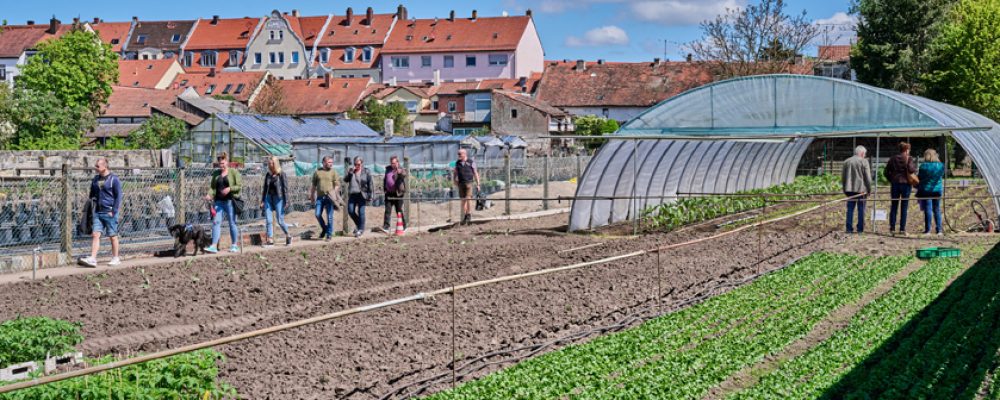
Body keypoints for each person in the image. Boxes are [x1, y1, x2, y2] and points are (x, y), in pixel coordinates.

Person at [78, 158, 122, 267]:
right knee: (95, 234)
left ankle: (116, 258)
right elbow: (92, 194)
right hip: (97, 211)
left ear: (105, 166)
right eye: (96, 165)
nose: (96, 168)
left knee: (112, 235)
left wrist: (114, 211)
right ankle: (93, 258)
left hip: (109, 211)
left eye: (98, 166)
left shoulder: (114, 179)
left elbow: (118, 196)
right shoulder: (95, 179)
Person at [203, 152, 241, 253]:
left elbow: (239, 186)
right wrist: (209, 194)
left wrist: (229, 188)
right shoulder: (216, 174)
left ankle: (234, 245)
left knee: (232, 223)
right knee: (216, 222)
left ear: (227, 162)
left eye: (223, 163)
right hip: (218, 202)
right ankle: (214, 246)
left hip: (230, 201)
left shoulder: (233, 172)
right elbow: (213, 187)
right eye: (220, 163)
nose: (221, 165)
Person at [884, 142, 918, 235]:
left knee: (894, 206)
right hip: (906, 184)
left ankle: (892, 228)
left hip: (895, 184)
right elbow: (911, 170)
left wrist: (891, 179)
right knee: (904, 206)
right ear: (907, 150)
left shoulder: (892, 158)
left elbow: (886, 172)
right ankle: (902, 229)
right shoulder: (909, 158)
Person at [842, 146, 872, 234]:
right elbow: (868, 178)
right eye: (865, 154)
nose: (865, 155)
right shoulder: (864, 161)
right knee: (861, 209)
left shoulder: (847, 161)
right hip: (861, 190)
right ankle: (860, 229)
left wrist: (844, 189)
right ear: (862, 153)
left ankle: (848, 229)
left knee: (850, 209)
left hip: (849, 189)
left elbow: (843, 177)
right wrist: (869, 189)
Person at [261, 156, 290, 247]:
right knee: (268, 220)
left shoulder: (281, 174)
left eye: (271, 163)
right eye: (269, 164)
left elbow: (285, 189)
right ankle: (270, 240)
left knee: (280, 220)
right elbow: (265, 188)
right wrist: (262, 200)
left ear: (275, 164)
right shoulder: (268, 175)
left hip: (278, 198)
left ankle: (288, 235)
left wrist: (287, 201)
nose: (270, 165)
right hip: (268, 198)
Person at [310, 156, 340, 241]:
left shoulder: (333, 172)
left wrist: (334, 192)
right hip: (320, 197)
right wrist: (312, 196)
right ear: (324, 162)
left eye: (332, 162)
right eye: (329, 162)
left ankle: (329, 235)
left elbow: (337, 184)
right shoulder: (317, 172)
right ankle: (325, 228)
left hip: (329, 198)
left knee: (329, 217)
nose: (331, 164)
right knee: (317, 214)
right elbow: (313, 185)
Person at [917, 148, 945, 235]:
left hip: (926, 190)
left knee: (928, 209)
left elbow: (920, 177)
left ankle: (928, 230)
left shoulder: (923, 166)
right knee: (937, 209)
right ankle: (939, 230)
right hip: (937, 190)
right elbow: (941, 175)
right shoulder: (940, 165)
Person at [344, 156, 373, 238]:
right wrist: (350, 173)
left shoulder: (366, 171)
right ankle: (359, 224)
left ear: (362, 163)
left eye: (359, 164)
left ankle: (361, 229)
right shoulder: (351, 171)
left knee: (361, 212)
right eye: (355, 164)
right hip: (353, 194)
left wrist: (370, 195)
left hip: (362, 194)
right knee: (350, 210)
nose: (357, 166)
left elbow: (370, 183)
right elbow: (345, 180)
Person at [453, 148, 480, 225]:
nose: (458, 155)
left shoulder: (471, 162)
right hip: (460, 183)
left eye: (460, 154)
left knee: (468, 198)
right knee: (463, 201)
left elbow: (475, 173)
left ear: (465, 154)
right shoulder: (457, 163)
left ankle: (469, 214)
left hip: (469, 183)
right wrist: (454, 180)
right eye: (458, 154)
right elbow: (455, 172)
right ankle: (465, 215)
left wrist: (478, 184)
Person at [382, 155, 408, 232]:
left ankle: (403, 225)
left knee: (399, 210)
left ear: (397, 162)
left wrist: (399, 172)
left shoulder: (401, 169)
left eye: (394, 163)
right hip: (389, 193)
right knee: (387, 210)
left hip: (398, 194)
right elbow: (385, 179)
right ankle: (386, 226)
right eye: (391, 163)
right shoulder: (388, 169)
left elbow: (404, 174)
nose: (393, 164)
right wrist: (385, 188)